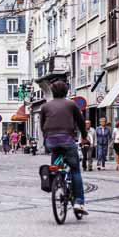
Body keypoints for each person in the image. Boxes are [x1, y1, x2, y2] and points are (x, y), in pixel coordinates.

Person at [40, 80, 88, 215]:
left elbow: (42, 125)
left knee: (55, 166)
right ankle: (79, 202)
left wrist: (47, 138)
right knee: (75, 170)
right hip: (67, 140)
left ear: (52, 92)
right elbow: (81, 122)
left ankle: (57, 179)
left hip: (52, 142)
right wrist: (84, 136)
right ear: (66, 91)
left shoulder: (45, 107)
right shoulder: (71, 104)